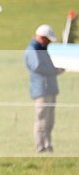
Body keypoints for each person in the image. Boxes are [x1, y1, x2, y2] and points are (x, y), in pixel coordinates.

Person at [24, 24, 64, 153]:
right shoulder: (32, 50)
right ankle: (40, 147)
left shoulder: (42, 49)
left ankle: (48, 145)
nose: (49, 43)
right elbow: (38, 67)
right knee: (41, 120)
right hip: (41, 90)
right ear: (42, 38)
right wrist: (56, 70)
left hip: (50, 89)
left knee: (50, 121)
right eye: (48, 40)